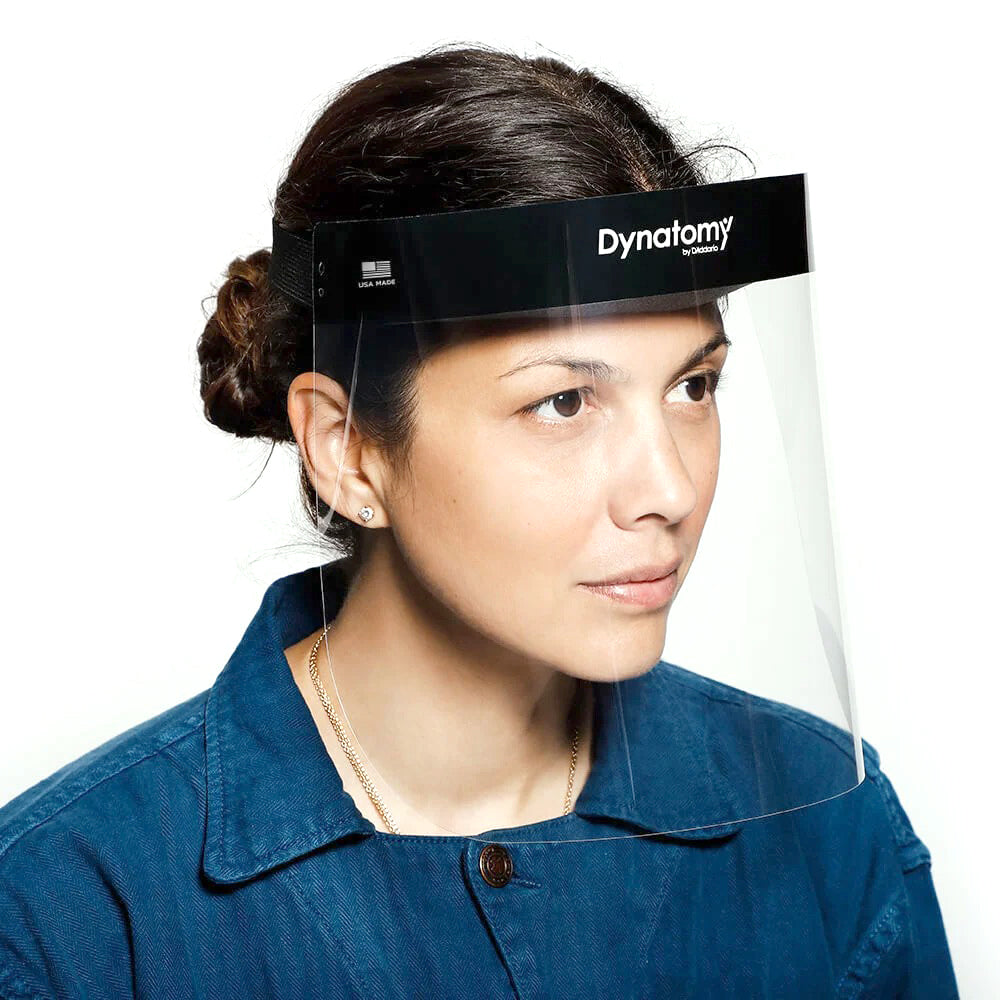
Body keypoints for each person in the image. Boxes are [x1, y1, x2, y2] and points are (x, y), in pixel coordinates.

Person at [0, 43, 958, 999]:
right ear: (347, 448)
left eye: (693, 386)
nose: (668, 489)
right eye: (565, 402)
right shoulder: (69, 917)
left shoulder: (831, 829)